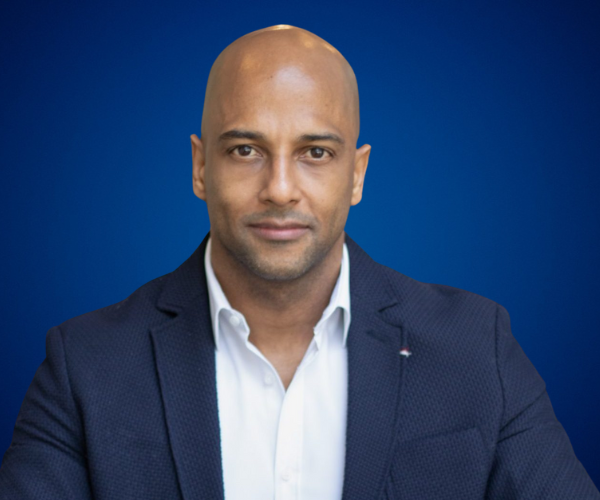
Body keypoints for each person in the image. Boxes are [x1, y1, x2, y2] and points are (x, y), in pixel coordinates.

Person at [0, 24, 598, 500]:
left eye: (315, 151)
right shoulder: (84, 367)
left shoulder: (476, 348)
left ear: (357, 173)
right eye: (245, 150)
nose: (281, 188)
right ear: (200, 167)